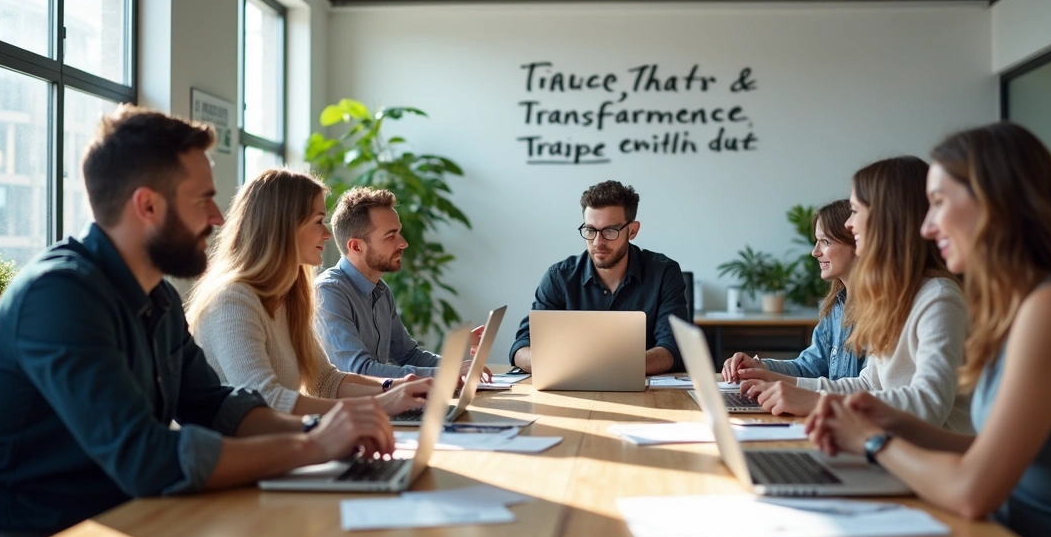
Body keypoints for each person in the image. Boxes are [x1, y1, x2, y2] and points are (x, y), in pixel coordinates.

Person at [0, 107, 393, 532]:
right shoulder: (60, 296)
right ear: (148, 205)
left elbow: (216, 405)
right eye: (203, 199)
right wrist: (313, 445)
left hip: (134, 518)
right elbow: (144, 456)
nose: (218, 218)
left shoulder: (159, 297)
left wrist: (321, 431)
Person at [805, 122, 1051, 537]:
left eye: (938, 204)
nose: (926, 227)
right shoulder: (1019, 306)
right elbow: (987, 453)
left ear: (993, 205)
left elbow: (972, 491)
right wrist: (889, 421)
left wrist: (873, 442)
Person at [742, 157, 972, 433]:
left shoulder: (939, 298)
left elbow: (928, 405)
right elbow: (868, 385)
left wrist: (816, 401)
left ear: (888, 218)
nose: (849, 225)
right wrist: (787, 387)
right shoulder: (889, 299)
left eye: (854, 211)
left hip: (926, 463)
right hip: (889, 446)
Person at [186, 170, 434, 416]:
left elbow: (325, 381)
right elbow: (267, 401)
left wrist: (398, 387)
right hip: (242, 453)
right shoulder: (232, 301)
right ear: (283, 226)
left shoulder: (289, 297)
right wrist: (379, 404)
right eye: (318, 221)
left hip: (282, 444)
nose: (327, 234)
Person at [509, 180, 688, 376]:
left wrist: (604, 369)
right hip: (571, 387)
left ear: (633, 230)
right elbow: (522, 346)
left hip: (644, 392)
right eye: (590, 230)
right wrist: (568, 367)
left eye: (610, 231)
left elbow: (672, 348)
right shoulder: (558, 277)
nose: (597, 242)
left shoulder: (663, 273)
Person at [315, 187, 484, 382]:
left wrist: (458, 367)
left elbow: (409, 355)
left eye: (399, 233)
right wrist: (446, 374)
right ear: (356, 246)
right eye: (391, 236)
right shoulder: (328, 292)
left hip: (379, 405)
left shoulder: (381, 291)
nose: (403, 243)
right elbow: (359, 371)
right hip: (346, 411)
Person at [722, 199, 866, 383]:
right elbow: (809, 367)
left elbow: (867, 388)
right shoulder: (835, 307)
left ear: (857, 242)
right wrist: (760, 366)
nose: (815, 252)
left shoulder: (880, 310)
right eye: (817, 241)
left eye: (825, 241)